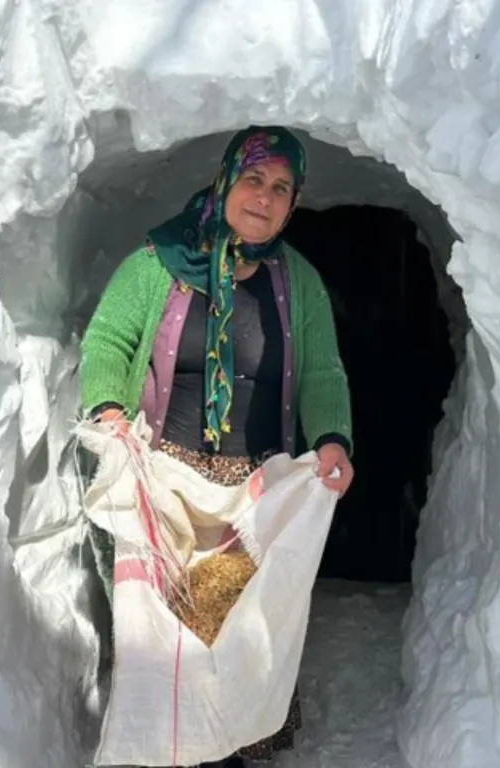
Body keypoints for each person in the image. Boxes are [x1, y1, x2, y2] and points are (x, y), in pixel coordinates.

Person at [78, 126, 355, 766]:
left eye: (281, 188)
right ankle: (166, 750)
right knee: (168, 637)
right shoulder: (158, 262)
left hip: (252, 493)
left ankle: (222, 750)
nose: (265, 198)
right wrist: (111, 408)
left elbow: (320, 371)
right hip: (167, 481)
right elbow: (109, 341)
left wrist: (332, 439)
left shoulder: (298, 281)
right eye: (254, 180)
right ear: (228, 179)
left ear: (294, 202)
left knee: (231, 635)